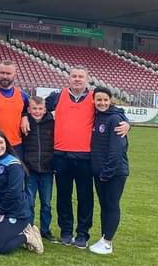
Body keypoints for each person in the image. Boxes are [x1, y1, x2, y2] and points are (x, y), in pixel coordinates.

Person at [32, 66, 129, 248]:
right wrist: (23, 116)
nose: (77, 79)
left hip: (85, 157)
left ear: (87, 79)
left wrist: (127, 124)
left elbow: (115, 111)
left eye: (80, 77)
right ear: (69, 78)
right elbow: (37, 108)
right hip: (61, 155)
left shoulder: (94, 98)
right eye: (74, 76)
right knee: (63, 196)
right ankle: (66, 232)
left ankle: (83, 234)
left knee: (85, 197)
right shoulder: (57, 97)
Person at [0, 130, 43, 255]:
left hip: (15, 212)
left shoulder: (13, 164)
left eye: (1, 142)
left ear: (6, 144)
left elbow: (14, 192)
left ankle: (28, 236)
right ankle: (13, 231)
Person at [89, 87, 130, 255]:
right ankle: (103, 238)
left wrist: (107, 172)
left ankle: (107, 242)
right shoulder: (96, 116)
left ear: (110, 100)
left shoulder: (115, 118)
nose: (102, 103)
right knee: (104, 206)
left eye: (105, 100)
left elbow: (117, 149)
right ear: (93, 100)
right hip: (100, 172)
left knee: (112, 205)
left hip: (114, 172)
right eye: (99, 100)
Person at [23, 95, 55, 240]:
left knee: (46, 203)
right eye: (34, 108)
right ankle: (29, 229)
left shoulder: (52, 122)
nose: (37, 111)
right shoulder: (24, 122)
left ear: (45, 109)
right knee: (29, 202)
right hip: (31, 170)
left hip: (47, 169)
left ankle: (45, 230)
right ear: (29, 109)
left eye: (40, 109)